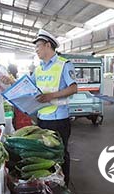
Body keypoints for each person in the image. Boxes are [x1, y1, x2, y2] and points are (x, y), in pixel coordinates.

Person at [30, 29, 78, 186]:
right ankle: (51, 184)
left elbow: (73, 88)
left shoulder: (64, 64)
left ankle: (64, 185)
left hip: (59, 119)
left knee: (60, 154)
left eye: (38, 46)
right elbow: (29, 86)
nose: (36, 50)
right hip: (42, 118)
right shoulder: (39, 69)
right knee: (46, 155)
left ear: (48, 45)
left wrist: (51, 96)